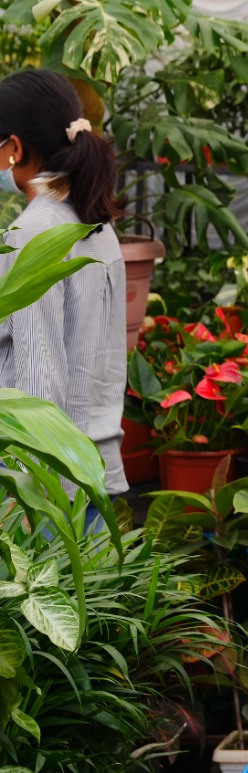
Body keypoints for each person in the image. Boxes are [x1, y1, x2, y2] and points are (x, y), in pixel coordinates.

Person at [0, 69, 126, 499]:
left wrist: (31, 493)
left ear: (15, 148)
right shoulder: (96, 224)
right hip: (92, 468)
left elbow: (37, 372)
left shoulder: (31, 233)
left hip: (41, 486)